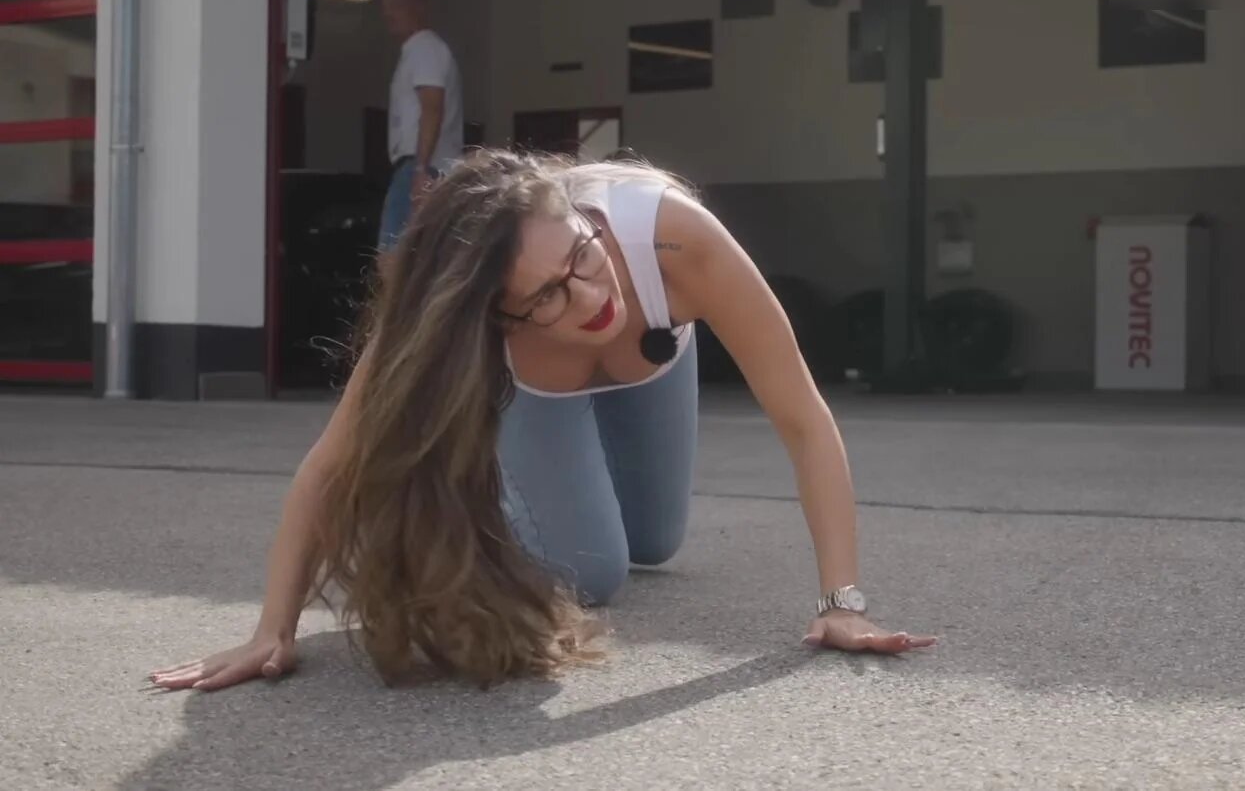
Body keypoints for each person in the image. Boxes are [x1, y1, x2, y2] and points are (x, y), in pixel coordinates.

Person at [148, 148, 937, 692]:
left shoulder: (675, 241)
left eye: (582, 257)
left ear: (587, 222)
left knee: (655, 541)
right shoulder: (454, 310)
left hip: (653, 361)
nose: (591, 298)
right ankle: (485, 482)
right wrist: (273, 630)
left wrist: (842, 604)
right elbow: (331, 461)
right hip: (540, 390)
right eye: (548, 296)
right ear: (493, 312)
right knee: (596, 575)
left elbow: (803, 418)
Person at [377, 0, 465, 250]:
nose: (389, 14)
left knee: (392, 253)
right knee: (414, 254)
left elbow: (432, 107)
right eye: (385, 8)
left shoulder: (424, 48)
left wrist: (420, 169)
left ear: (419, 8)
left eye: (397, 6)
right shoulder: (418, 51)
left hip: (422, 166)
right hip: (424, 166)